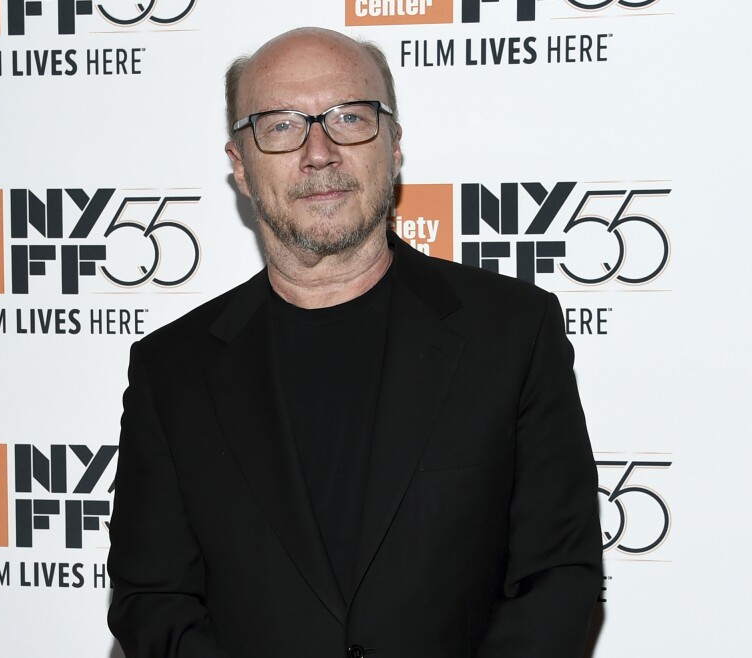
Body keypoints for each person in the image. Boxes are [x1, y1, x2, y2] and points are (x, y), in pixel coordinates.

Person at [107, 26, 602, 658]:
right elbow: (152, 599)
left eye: (349, 117)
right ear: (239, 164)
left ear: (393, 145)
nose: (320, 152)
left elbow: (556, 576)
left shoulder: (511, 332)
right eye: (281, 125)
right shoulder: (170, 369)